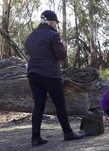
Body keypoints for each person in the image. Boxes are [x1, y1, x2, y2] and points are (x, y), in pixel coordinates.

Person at [25, 10, 85, 147]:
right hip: (50, 74)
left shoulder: (31, 36)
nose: (56, 26)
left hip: (33, 74)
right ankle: (68, 132)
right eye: (56, 23)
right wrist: (63, 46)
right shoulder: (53, 35)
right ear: (51, 23)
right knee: (60, 104)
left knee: (38, 105)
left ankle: (35, 137)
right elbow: (61, 55)